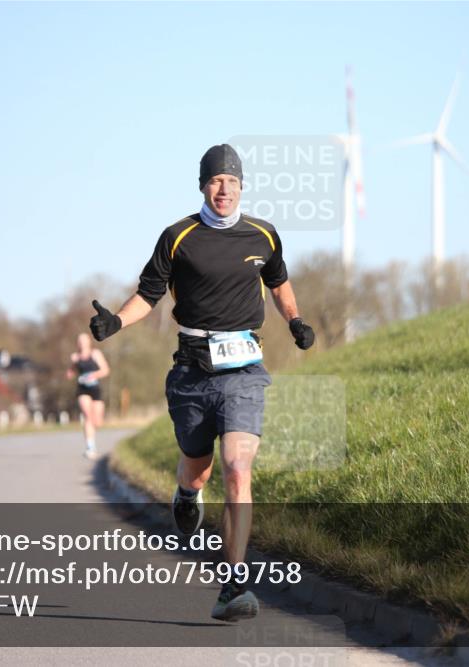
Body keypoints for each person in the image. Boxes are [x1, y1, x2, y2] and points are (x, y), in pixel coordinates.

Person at [90, 144, 315, 621]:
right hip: (192, 371)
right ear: (202, 185)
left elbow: (279, 283)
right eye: (215, 181)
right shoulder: (177, 237)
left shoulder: (263, 235)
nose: (224, 189)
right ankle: (187, 493)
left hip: (244, 370)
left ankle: (234, 584)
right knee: (198, 469)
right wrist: (116, 322)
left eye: (231, 181)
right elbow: (148, 294)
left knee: (237, 467)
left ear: (242, 186)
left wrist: (295, 320)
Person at [65, 333, 109, 459]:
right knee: (87, 415)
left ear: (89, 342)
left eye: (84, 340)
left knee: (97, 421)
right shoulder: (75, 357)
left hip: (95, 389)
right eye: (80, 341)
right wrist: (71, 369)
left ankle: (92, 439)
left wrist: (93, 375)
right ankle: (90, 447)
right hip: (82, 389)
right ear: (77, 343)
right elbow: (70, 373)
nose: (82, 343)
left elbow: (105, 370)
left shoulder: (96, 354)